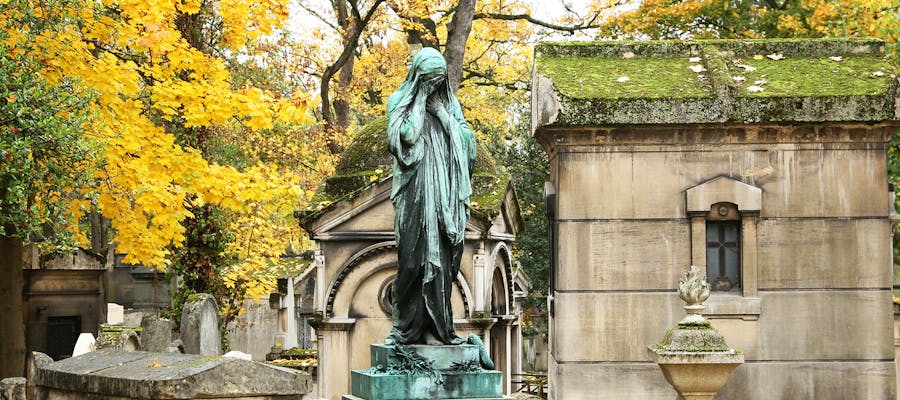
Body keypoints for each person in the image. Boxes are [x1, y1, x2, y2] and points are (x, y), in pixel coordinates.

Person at [385, 47, 476, 346]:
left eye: (438, 81)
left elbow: (467, 142)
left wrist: (443, 116)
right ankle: (403, 330)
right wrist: (422, 100)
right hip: (414, 192)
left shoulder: (450, 106)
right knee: (411, 262)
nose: (434, 86)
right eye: (428, 80)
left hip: (445, 197)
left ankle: (439, 329)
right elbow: (406, 138)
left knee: (443, 265)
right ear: (417, 77)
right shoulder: (399, 100)